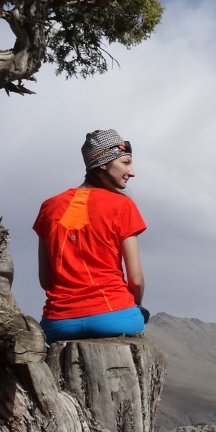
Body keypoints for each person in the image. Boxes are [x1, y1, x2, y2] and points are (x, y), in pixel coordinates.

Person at [33, 128, 149, 341]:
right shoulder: (122, 205)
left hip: (58, 323)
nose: (132, 172)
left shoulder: (49, 207)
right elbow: (136, 278)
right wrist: (135, 305)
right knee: (140, 318)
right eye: (125, 162)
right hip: (115, 314)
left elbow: (45, 279)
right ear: (103, 164)